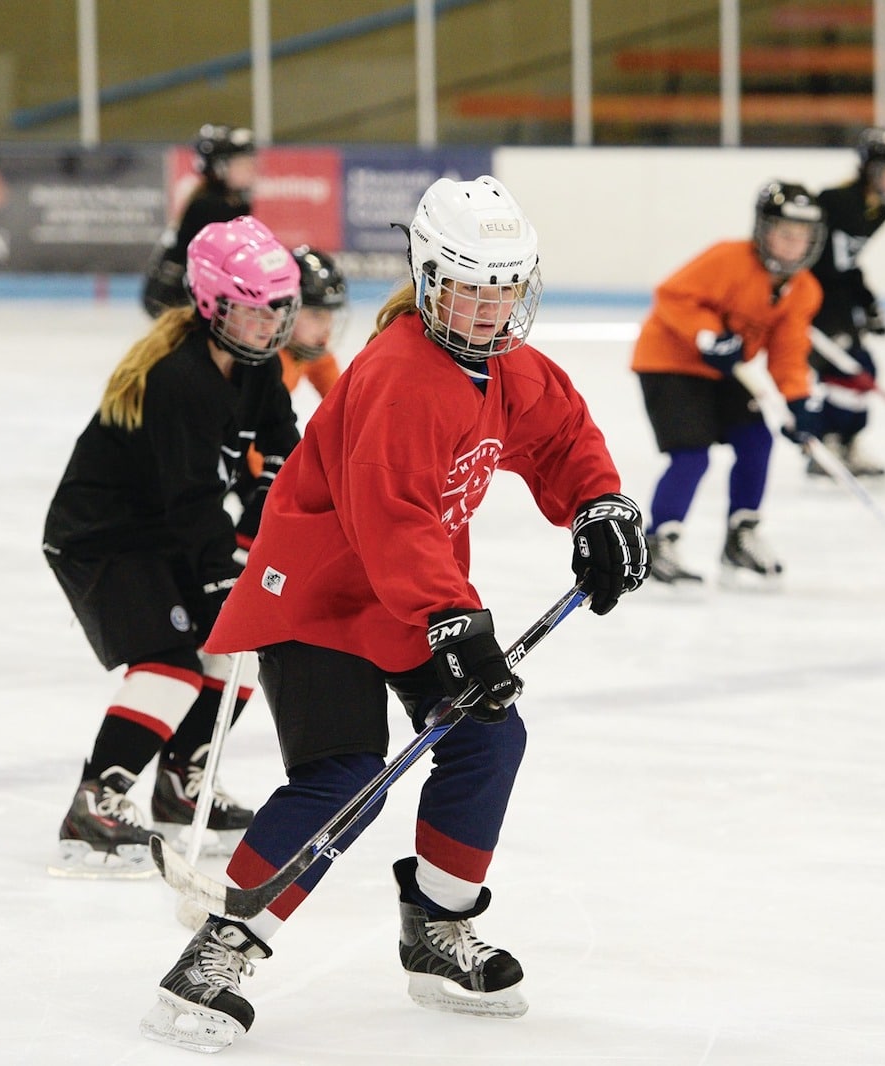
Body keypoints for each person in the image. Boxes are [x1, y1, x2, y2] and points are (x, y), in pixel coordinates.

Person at [138, 175, 648, 1050]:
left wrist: (598, 502)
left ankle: (437, 929)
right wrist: (452, 616)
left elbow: (560, 434)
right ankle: (219, 950)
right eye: (467, 288)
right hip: (320, 597)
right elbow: (392, 518)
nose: (487, 309)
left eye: (503, 289)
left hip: (408, 593)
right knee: (344, 777)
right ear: (427, 277)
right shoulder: (399, 376)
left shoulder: (502, 365)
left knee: (490, 736)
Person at [45, 216, 303, 878]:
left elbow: (283, 444)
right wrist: (223, 579)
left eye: (278, 309)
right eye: (254, 311)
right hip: (104, 536)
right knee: (172, 663)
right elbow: (192, 503)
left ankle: (180, 785)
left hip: (162, 531)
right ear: (214, 305)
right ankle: (95, 803)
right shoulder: (178, 378)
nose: (270, 325)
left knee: (237, 651)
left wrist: (270, 493)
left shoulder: (255, 366)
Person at [630, 181, 825, 589]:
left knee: (757, 440)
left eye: (801, 236)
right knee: (692, 455)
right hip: (670, 362)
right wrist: (706, 334)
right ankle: (658, 541)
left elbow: (789, 352)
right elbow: (673, 296)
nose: (792, 245)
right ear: (763, 229)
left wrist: (797, 401)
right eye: (784, 233)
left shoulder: (804, 289)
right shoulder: (727, 259)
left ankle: (742, 536)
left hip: (727, 370)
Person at [805, 127, 885, 479]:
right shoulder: (834, 200)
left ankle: (843, 440)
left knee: (860, 370)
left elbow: (846, 264)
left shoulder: (878, 210)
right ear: (871, 170)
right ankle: (825, 445)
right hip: (811, 299)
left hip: (835, 299)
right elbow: (812, 261)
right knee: (848, 367)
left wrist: (866, 302)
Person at [235, 245, 349, 547]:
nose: (326, 327)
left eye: (329, 316)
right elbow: (255, 434)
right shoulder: (269, 362)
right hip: (237, 448)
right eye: (315, 314)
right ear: (287, 307)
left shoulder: (306, 351)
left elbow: (342, 400)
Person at [141, 124, 258, 318]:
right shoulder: (210, 206)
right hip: (173, 300)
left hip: (183, 297)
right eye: (243, 163)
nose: (251, 169)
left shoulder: (232, 202)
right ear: (220, 167)